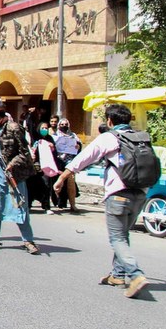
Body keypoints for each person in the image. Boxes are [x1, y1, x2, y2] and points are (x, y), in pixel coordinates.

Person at [53, 103, 149, 298]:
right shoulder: (141, 137)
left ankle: (136, 274)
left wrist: (62, 178)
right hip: (140, 194)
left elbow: (84, 157)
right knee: (123, 235)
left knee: (117, 237)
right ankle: (117, 275)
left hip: (119, 193)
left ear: (109, 121)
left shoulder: (110, 137)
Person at [0, 98, 40, 254]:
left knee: (20, 206)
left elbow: (24, 153)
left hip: (14, 175)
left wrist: (12, 164)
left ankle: (28, 240)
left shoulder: (14, 128)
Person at [52, 118, 82, 212]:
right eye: (62, 124)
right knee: (59, 183)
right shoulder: (55, 136)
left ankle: (73, 205)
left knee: (71, 183)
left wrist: (78, 146)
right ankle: (59, 203)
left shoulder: (73, 135)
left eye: (66, 124)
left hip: (70, 162)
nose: (64, 126)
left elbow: (79, 146)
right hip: (58, 161)